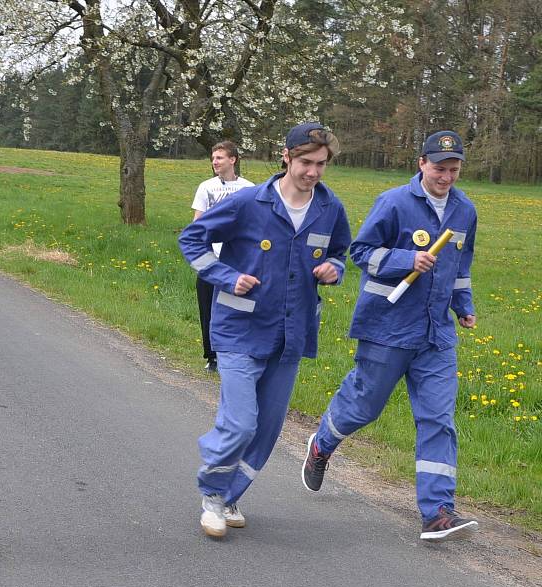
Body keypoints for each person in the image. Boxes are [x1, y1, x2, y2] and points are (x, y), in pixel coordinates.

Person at [301, 130, 479, 542]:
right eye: (439, 168)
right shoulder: (394, 203)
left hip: (436, 335)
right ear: (421, 163)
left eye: (453, 170)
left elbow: (460, 267)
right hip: (388, 328)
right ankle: (322, 443)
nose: (446, 177)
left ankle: (437, 512)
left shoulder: (465, 210)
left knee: (438, 419)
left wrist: (463, 306)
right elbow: (361, 252)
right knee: (364, 406)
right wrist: (405, 259)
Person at [179, 123, 351, 538]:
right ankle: (212, 495)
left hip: (292, 335)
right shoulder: (248, 203)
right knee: (240, 423)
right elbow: (192, 240)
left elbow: (341, 253)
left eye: (321, 164)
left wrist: (335, 270)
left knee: (268, 429)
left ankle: (231, 495)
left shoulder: (330, 208)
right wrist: (224, 275)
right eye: (306, 162)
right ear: (286, 157)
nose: (313, 172)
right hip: (240, 330)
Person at [191, 141, 255, 372]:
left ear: (232, 160)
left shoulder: (249, 188)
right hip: (211, 259)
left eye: (219, 157)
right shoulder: (206, 187)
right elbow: (197, 224)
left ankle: (237, 352)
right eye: (213, 157)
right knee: (207, 308)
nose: (214, 162)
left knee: (237, 308)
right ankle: (212, 357)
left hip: (238, 261)